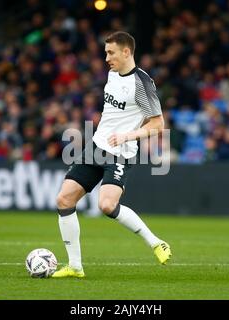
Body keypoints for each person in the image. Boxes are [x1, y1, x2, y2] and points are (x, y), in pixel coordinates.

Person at [52, 31, 171, 278]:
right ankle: (75, 266)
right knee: (64, 200)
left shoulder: (142, 83)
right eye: (106, 52)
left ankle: (156, 242)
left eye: (111, 53)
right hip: (96, 147)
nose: (106, 58)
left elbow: (158, 124)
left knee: (106, 205)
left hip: (121, 152)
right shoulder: (112, 74)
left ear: (126, 52)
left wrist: (128, 135)